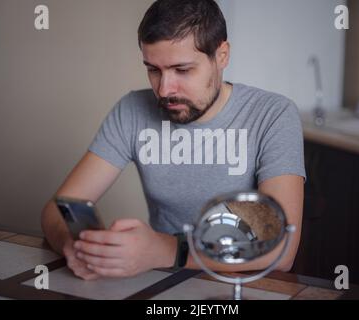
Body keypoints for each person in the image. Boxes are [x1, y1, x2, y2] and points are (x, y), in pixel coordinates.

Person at [41, 0, 306, 281]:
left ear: (222, 56)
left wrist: (167, 250)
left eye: (182, 70)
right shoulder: (132, 110)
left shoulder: (273, 114)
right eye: (153, 70)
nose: (165, 90)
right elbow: (58, 208)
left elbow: (281, 249)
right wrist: (73, 247)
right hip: (163, 279)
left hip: (243, 283)